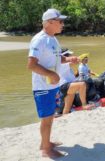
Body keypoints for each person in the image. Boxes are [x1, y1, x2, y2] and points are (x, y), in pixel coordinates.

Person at [27, 8, 79, 158]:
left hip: (52, 86)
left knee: (50, 117)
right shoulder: (40, 39)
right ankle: (46, 150)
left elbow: (57, 59)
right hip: (42, 87)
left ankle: (46, 142)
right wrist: (51, 74)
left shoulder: (53, 39)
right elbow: (31, 65)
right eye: (60, 21)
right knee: (47, 119)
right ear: (49, 22)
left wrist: (69, 59)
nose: (63, 24)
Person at [58, 48, 94, 114]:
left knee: (67, 108)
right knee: (82, 85)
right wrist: (81, 58)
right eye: (69, 55)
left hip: (68, 86)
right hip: (65, 86)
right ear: (65, 56)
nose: (70, 56)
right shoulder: (62, 64)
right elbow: (75, 62)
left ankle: (64, 117)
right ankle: (84, 105)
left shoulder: (65, 65)